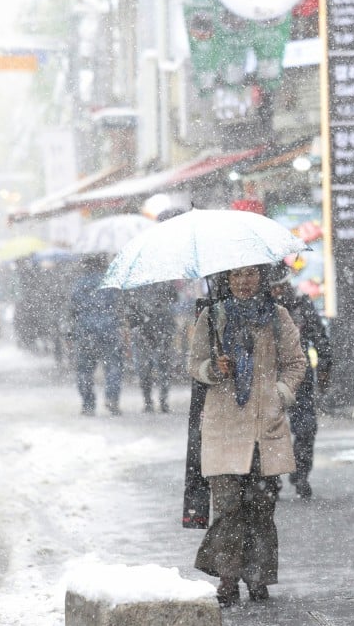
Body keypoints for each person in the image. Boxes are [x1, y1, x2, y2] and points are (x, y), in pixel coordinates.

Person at [189, 264, 307, 607]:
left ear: (262, 278)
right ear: (226, 278)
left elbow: (296, 362)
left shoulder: (277, 315)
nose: (244, 282)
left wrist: (279, 394)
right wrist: (213, 368)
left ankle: (257, 577)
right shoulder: (212, 317)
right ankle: (228, 578)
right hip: (223, 427)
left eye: (251, 274)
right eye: (237, 275)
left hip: (262, 429)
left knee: (260, 506)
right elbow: (193, 364)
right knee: (228, 508)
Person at [267, 264, 331, 499]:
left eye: (280, 286)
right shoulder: (260, 309)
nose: (277, 291)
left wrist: (325, 367)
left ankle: (301, 474)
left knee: (305, 428)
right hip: (268, 378)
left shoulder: (302, 305)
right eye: (272, 288)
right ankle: (271, 479)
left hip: (300, 377)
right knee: (269, 431)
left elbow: (320, 339)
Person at [68, 254, 125, 415]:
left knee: (84, 370)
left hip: (86, 331)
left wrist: (73, 330)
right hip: (109, 329)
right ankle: (112, 398)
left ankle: (88, 403)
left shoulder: (78, 285)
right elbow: (118, 304)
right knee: (113, 366)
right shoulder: (110, 283)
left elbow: (73, 308)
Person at [124, 281, 178, 413]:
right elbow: (175, 299)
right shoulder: (164, 280)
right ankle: (159, 401)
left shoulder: (135, 284)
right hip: (157, 331)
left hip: (149, 332)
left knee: (148, 370)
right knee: (160, 370)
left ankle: (151, 402)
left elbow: (129, 310)